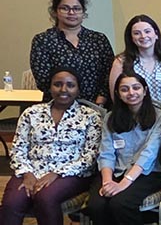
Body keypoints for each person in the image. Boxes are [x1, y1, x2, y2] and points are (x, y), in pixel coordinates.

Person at [0, 68, 101, 225]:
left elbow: (90, 156)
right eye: (57, 84)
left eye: (70, 85)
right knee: (12, 202)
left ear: (78, 88)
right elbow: (18, 148)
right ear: (50, 87)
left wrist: (56, 173)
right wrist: (27, 173)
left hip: (71, 173)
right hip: (31, 170)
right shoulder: (31, 113)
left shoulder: (90, 116)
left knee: (45, 197)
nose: (63, 89)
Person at [86, 71, 161, 225]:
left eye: (136, 88)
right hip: (114, 171)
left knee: (120, 203)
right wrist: (107, 182)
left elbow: (149, 153)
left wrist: (123, 183)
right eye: (125, 89)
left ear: (144, 91)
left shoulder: (160, 117)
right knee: (96, 205)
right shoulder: (111, 117)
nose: (131, 93)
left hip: (146, 173)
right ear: (117, 93)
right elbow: (106, 153)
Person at [30, 0, 114, 105]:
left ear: (83, 13)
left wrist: (100, 101)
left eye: (77, 8)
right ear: (55, 12)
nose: (71, 13)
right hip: (58, 106)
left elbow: (109, 73)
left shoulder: (98, 39)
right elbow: (43, 80)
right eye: (65, 8)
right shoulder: (43, 40)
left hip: (96, 105)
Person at [108, 15, 161, 107]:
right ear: (131, 38)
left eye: (147, 31)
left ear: (156, 34)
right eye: (137, 33)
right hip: (132, 117)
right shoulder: (120, 62)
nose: (143, 36)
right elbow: (116, 97)